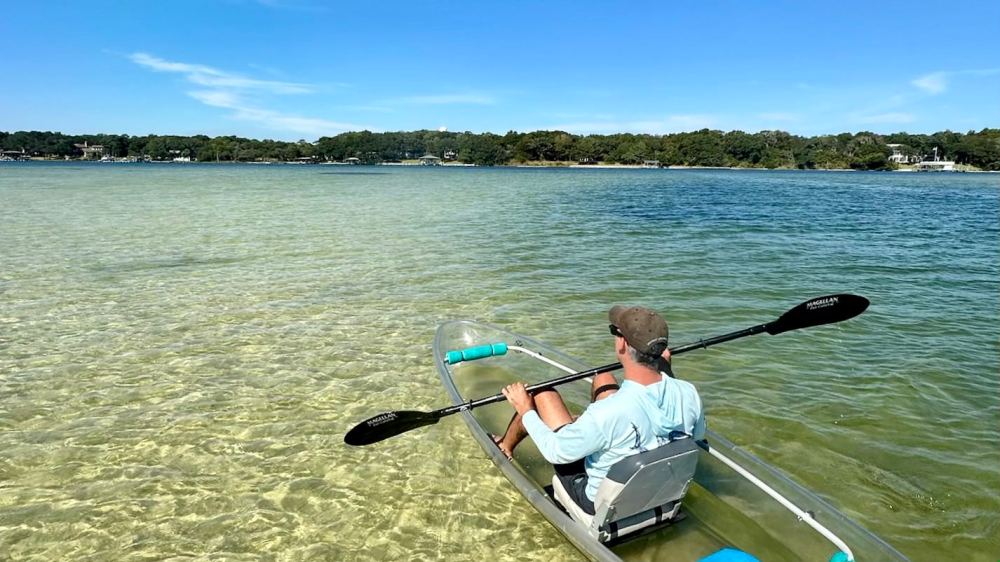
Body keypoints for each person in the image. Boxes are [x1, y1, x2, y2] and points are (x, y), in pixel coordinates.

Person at [498, 305, 705, 515]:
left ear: (623, 343)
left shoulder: (608, 413)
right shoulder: (688, 392)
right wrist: (667, 372)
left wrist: (525, 409)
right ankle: (584, 431)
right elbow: (695, 438)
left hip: (601, 503)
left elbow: (555, 452)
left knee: (542, 394)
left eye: (615, 332)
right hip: (659, 488)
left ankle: (505, 447)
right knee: (603, 377)